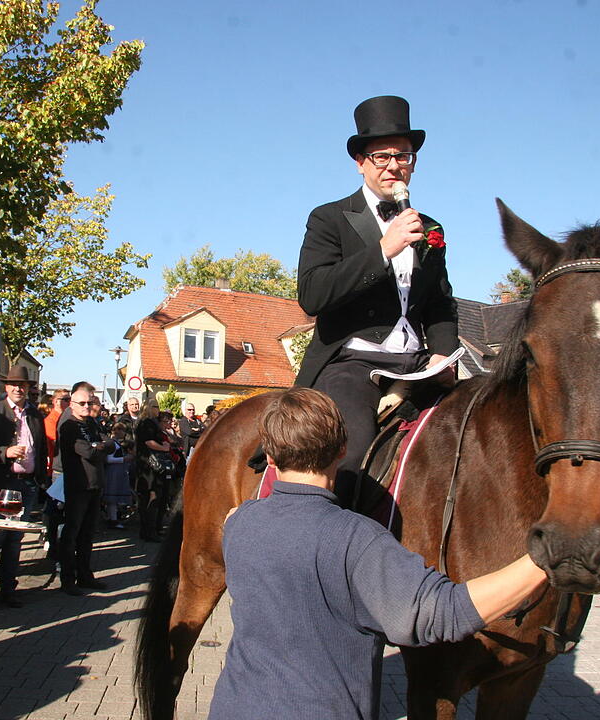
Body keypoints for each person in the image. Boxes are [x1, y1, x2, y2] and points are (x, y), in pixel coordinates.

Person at [208, 388, 547, 720]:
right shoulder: (358, 539)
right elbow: (443, 612)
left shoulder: (239, 523)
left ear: (269, 457)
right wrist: (541, 560)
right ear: (343, 449)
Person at [295, 95, 459, 506]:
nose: (393, 165)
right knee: (352, 454)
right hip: (354, 362)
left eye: (403, 155)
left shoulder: (430, 227)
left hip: (418, 365)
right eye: (381, 155)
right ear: (360, 162)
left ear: (414, 162)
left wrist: (442, 354)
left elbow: (440, 302)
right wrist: (382, 250)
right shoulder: (329, 218)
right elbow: (312, 295)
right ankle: (335, 550)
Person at [0, 365, 45, 608]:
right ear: (6, 387)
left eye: (23, 385)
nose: (18, 388)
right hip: (1, 485)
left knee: (15, 541)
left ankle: (8, 589)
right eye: (14, 384)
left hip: (26, 484)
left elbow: (41, 448)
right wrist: (5, 452)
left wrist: (40, 479)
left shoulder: (34, 415)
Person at [55, 387, 108, 595]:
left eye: (89, 403)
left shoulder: (92, 423)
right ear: (72, 404)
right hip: (78, 485)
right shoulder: (69, 426)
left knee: (87, 534)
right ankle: (68, 579)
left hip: (95, 485)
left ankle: (85, 575)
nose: (87, 407)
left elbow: (110, 444)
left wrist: (99, 446)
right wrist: (99, 447)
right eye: (82, 404)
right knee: (72, 534)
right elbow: (86, 452)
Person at [135, 401, 172, 542]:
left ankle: (151, 530)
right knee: (151, 499)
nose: (158, 410)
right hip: (149, 467)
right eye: (156, 407)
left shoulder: (148, 422)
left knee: (154, 499)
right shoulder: (147, 423)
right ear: (149, 408)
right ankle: (149, 532)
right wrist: (164, 448)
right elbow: (148, 442)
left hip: (149, 466)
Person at [103, 421, 132, 529]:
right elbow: (108, 459)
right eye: (117, 430)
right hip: (113, 472)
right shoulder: (112, 443)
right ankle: (113, 520)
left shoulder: (118, 443)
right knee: (112, 498)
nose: (119, 432)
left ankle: (114, 518)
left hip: (119, 471)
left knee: (115, 498)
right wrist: (124, 459)